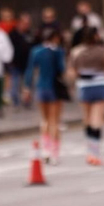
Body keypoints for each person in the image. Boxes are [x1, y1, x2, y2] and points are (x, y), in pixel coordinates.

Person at [67, 26, 104, 166]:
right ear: (96, 36)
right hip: (100, 86)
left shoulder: (76, 52)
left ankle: (90, 151)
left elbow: (71, 72)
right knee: (97, 119)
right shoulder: (103, 52)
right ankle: (95, 153)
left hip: (84, 86)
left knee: (87, 119)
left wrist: (74, 82)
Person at [24, 29, 68, 162]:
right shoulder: (58, 51)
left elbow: (30, 70)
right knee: (55, 121)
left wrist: (27, 87)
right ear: (55, 38)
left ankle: (46, 150)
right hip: (54, 88)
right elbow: (61, 69)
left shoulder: (36, 51)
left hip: (41, 88)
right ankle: (55, 153)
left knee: (44, 120)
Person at [7, 12, 35, 111]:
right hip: (15, 63)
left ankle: (27, 102)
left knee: (28, 85)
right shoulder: (12, 34)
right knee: (15, 85)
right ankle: (16, 103)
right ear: (20, 22)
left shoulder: (30, 34)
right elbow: (7, 49)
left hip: (28, 63)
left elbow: (33, 47)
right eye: (25, 23)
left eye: (28, 23)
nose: (26, 25)